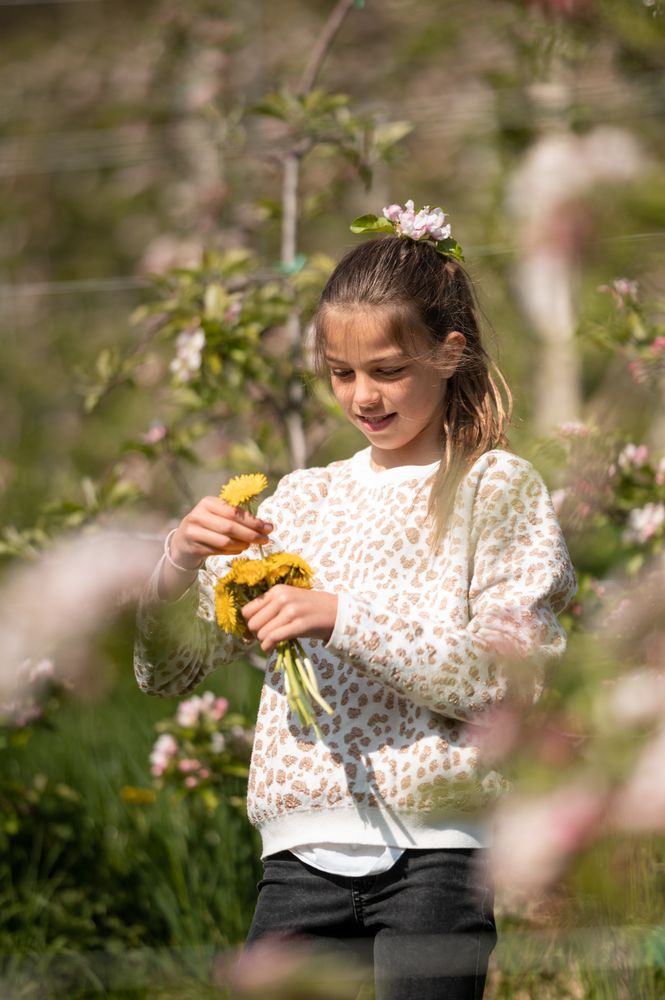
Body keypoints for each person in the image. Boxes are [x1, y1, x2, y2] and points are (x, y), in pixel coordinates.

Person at [134, 201, 577, 1000]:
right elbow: (167, 673)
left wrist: (342, 617)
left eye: (387, 371)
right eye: (341, 374)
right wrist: (176, 561)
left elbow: (512, 678)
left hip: (437, 859)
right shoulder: (301, 500)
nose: (363, 397)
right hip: (298, 864)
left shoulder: (493, 488)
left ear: (449, 354)